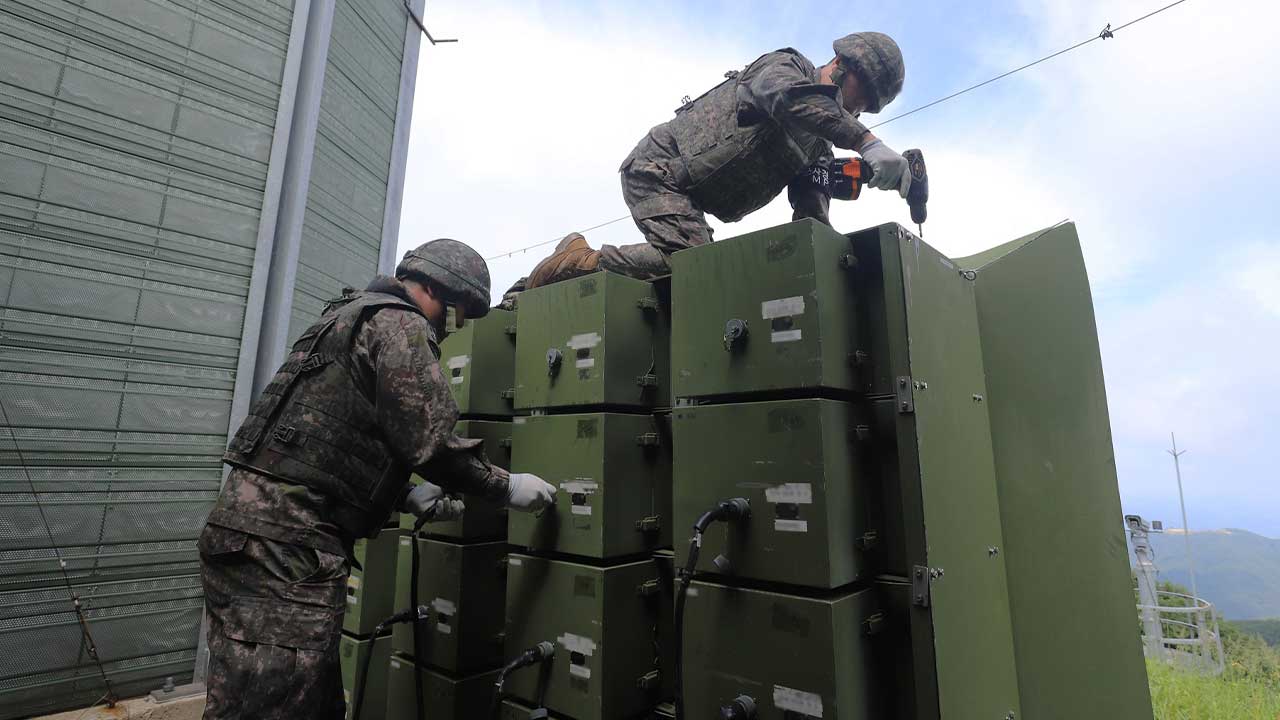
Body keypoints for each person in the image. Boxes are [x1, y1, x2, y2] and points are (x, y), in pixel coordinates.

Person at [197, 239, 557, 719]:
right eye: (460, 314)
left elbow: (319, 440)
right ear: (432, 289)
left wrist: (404, 495)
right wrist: (505, 487)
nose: (459, 327)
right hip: (287, 549)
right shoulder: (400, 323)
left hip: (257, 537)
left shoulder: (348, 317)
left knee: (306, 702)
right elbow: (429, 441)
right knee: (269, 707)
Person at [526, 32, 909, 288]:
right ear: (842, 62)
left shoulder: (817, 145)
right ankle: (578, 260)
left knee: (701, 269)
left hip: (691, 197)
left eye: (870, 108)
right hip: (658, 170)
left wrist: (821, 262)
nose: (860, 108)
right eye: (865, 92)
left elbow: (811, 207)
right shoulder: (785, 68)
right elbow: (788, 99)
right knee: (690, 263)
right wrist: (866, 142)